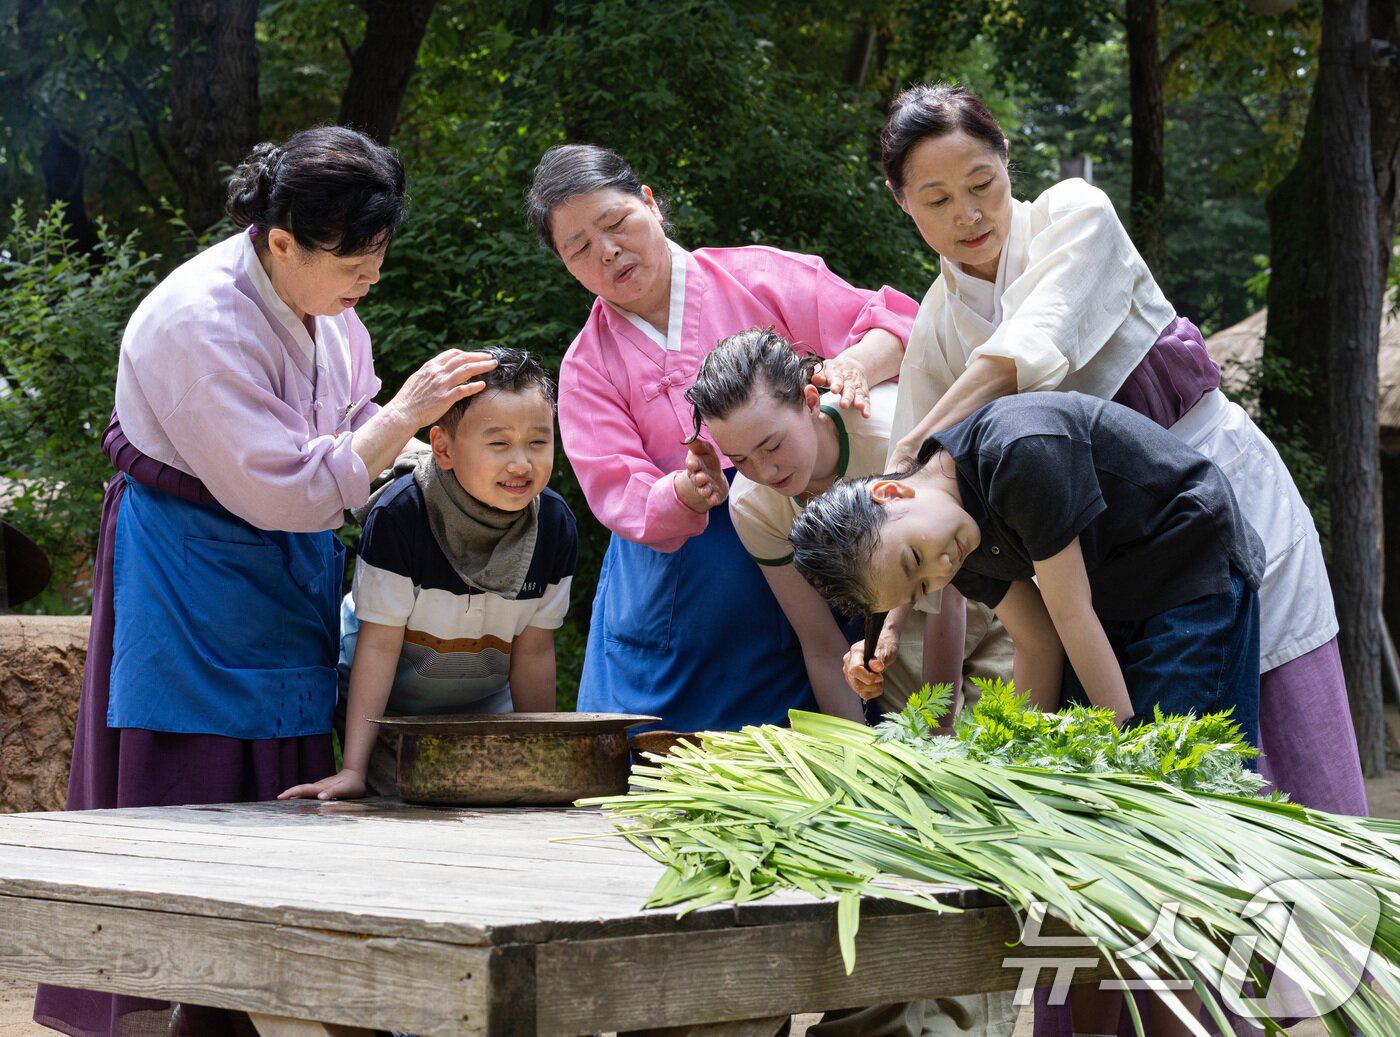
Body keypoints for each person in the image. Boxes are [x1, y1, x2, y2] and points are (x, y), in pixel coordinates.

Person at [34, 127, 496, 1037]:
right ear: (281, 240)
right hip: (191, 564)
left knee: (284, 780)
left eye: (377, 257)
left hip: (284, 560)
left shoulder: (330, 305)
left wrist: (415, 450)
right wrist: (403, 415)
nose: (368, 279)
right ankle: (177, 1005)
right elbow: (285, 482)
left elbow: (346, 416)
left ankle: (242, 1011)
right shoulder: (194, 319)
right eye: (354, 261)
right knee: (192, 786)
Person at [873, 83, 1365, 818]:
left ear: (1009, 160)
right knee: (1140, 769)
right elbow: (914, 503)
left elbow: (1020, 351)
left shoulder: (1077, 212)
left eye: (983, 183)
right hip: (1100, 564)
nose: (968, 215)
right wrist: (883, 626)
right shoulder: (938, 324)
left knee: (1275, 731)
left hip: (1213, 494)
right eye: (937, 199)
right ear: (902, 203)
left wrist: (916, 441)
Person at [526, 143, 918, 733]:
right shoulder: (586, 366)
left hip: (805, 538)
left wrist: (856, 363)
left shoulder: (756, 276)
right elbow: (617, 493)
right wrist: (684, 490)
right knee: (661, 771)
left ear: (651, 204)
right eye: (579, 248)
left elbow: (894, 321)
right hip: (686, 592)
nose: (607, 252)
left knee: (830, 730)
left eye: (616, 223)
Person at [792, 391, 1265, 752]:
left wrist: (1123, 746)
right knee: (1078, 752)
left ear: (891, 495)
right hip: (1112, 600)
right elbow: (1038, 639)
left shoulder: (1016, 453)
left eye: (914, 560)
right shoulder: (949, 540)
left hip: (1188, 566)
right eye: (921, 588)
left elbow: (1070, 616)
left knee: (1182, 770)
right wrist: (1014, 752)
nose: (938, 574)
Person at [278, 348, 577, 801]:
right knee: (397, 807)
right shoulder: (402, 514)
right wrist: (354, 768)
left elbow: (534, 651)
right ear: (443, 448)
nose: (522, 463)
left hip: (484, 705)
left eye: (538, 442)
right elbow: (377, 647)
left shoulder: (554, 525)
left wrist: (539, 757)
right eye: (498, 443)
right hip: (386, 708)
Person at [684, 327, 1014, 719]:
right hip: (899, 611)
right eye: (739, 460)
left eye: (772, 445)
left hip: (994, 580)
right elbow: (821, 642)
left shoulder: (892, 432)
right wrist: (855, 760)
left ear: (810, 401)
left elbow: (951, 594)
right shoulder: (753, 506)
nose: (764, 470)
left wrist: (938, 738)